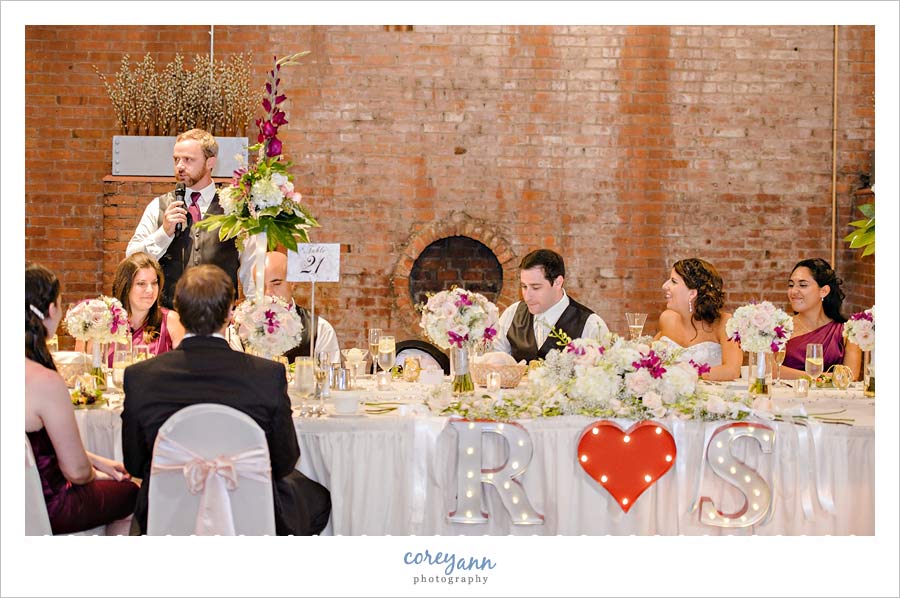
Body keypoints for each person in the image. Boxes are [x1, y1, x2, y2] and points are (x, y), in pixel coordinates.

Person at [121, 264, 331, 535]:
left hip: (168, 513)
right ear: (230, 314)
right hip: (250, 513)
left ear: (179, 312)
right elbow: (284, 461)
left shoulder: (140, 377)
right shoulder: (267, 376)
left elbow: (135, 463)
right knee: (318, 500)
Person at [25, 264, 138, 534]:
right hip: (49, 504)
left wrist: (99, 461)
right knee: (133, 493)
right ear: (51, 309)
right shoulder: (44, 380)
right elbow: (76, 472)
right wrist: (96, 473)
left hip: (20, 500)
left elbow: (40, 448)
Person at [125, 128, 253, 309]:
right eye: (176, 159)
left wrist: (252, 312)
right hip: (169, 317)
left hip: (218, 317)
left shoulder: (235, 210)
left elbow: (251, 270)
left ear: (210, 162)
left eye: (188, 160)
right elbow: (131, 260)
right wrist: (164, 233)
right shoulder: (158, 206)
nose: (180, 166)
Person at [492, 249, 609, 362]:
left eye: (536, 287)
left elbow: (606, 370)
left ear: (558, 282)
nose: (527, 296)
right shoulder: (512, 313)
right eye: (524, 286)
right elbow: (493, 362)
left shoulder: (591, 325)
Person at [76, 252, 186, 363]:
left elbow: (187, 367)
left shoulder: (171, 321)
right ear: (126, 286)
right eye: (141, 283)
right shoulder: (100, 321)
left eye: (154, 283)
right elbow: (83, 367)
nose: (150, 290)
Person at [653, 258, 742, 381]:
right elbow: (650, 358)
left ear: (692, 293)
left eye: (673, 281)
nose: (664, 286)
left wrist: (683, 374)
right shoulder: (667, 319)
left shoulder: (725, 323)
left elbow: (732, 371)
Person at [780, 258, 861, 379]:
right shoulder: (780, 329)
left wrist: (810, 377)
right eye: (791, 285)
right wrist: (828, 378)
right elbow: (771, 370)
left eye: (803, 285)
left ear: (824, 291)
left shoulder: (848, 332)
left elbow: (851, 377)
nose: (793, 291)